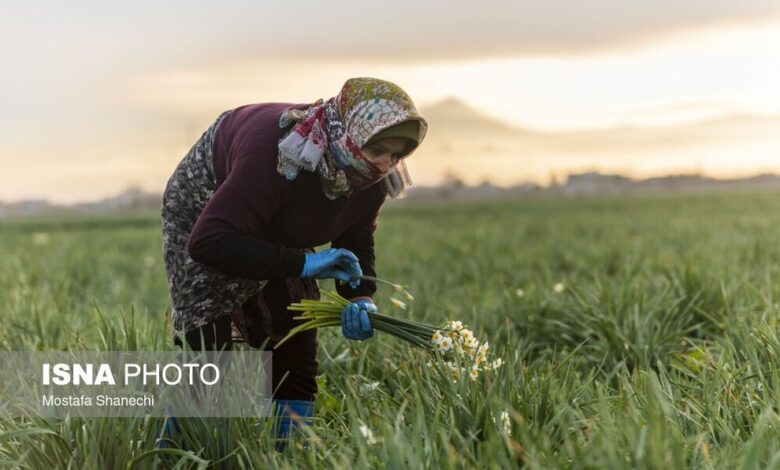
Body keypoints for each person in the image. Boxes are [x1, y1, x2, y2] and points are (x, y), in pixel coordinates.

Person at [159, 77, 428, 448]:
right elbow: (208, 242)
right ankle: (174, 453)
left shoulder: (373, 177)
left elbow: (356, 241)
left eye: (397, 154)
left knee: (295, 332)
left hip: (279, 220)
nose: (386, 163)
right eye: (378, 148)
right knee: (209, 350)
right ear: (348, 134)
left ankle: (290, 452)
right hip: (210, 208)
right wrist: (302, 264)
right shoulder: (275, 154)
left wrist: (361, 297)